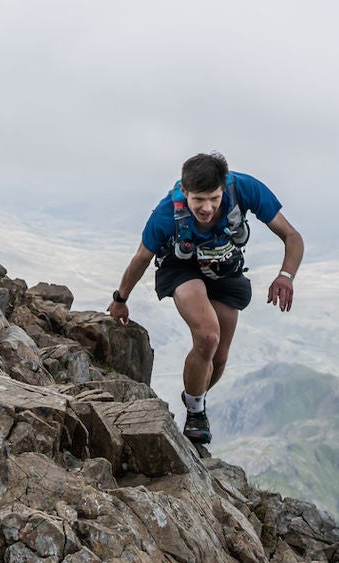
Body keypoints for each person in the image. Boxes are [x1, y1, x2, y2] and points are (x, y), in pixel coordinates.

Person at [105, 151, 303, 448]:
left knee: (220, 358)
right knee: (208, 336)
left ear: (224, 187)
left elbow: (291, 236)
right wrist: (120, 298)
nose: (207, 208)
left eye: (214, 198)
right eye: (198, 200)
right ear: (185, 192)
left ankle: (192, 396)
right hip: (181, 269)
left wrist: (286, 276)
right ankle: (196, 414)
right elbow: (142, 258)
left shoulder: (245, 189)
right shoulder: (165, 214)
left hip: (225, 270)